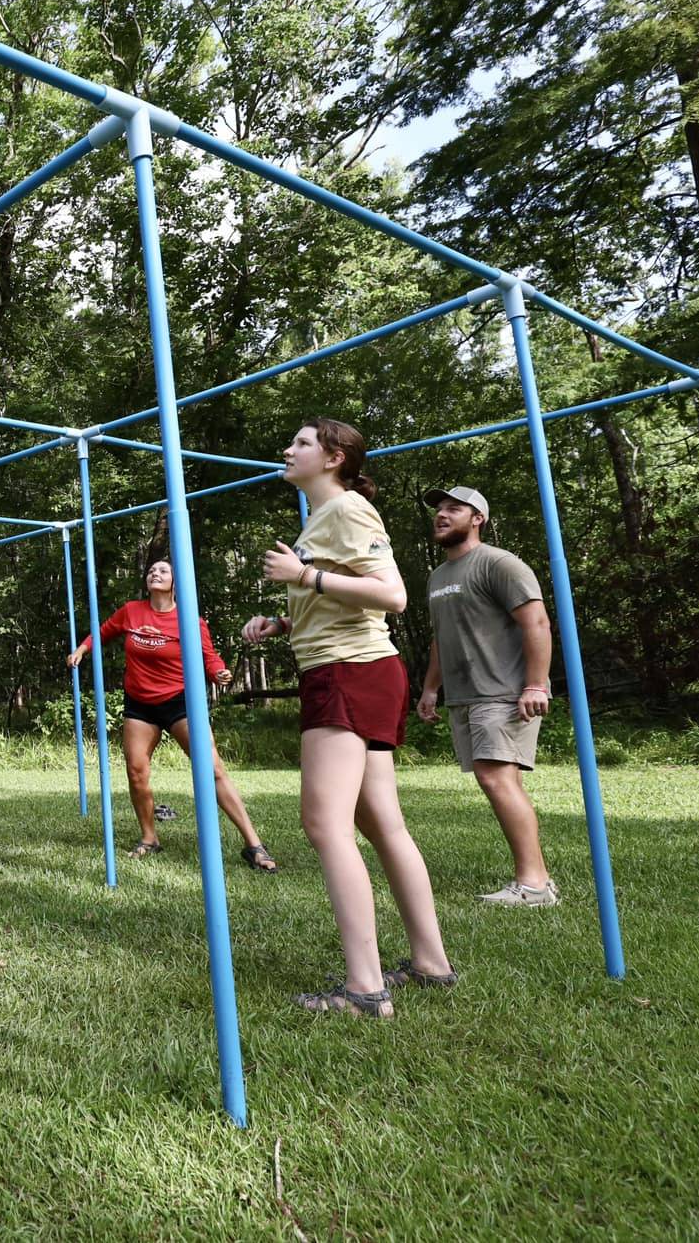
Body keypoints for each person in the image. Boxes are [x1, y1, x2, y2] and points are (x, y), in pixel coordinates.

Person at [241, 418, 453, 1017]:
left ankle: (364, 989)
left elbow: (392, 595)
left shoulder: (347, 510)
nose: (288, 448)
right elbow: (347, 597)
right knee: (381, 821)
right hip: (355, 667)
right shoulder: (322, 518)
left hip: (348, 673)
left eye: (301, 442)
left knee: (323, 823)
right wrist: (285, 621)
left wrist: (304, 575)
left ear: (334, 458)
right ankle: (431, 963)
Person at [67, 558, 277, 870]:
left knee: (213, 769)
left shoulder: (189, 619)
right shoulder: (132, 611)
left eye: (163, 570)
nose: (156, 572)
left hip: (180, 702)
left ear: (175, 582)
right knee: (136, 771)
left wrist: (219, 672)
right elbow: (105, 630)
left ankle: (254, 844)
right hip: (140, 704)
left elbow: (209, 656)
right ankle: (149, 838)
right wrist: (83, 649)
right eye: (152, 570)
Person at [415, 485, 559, 906]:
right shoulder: (438, 576)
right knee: (500, 779)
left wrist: (535, 684)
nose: (442, 514)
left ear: (477, 518)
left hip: (502, 691)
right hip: (464, 694)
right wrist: (430, 688)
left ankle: (533, 884)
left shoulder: (499, 563)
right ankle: (536, 879)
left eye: (453, 509)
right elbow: (442, 639)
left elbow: (537, 623)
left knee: (494, 777)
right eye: (439, 509)